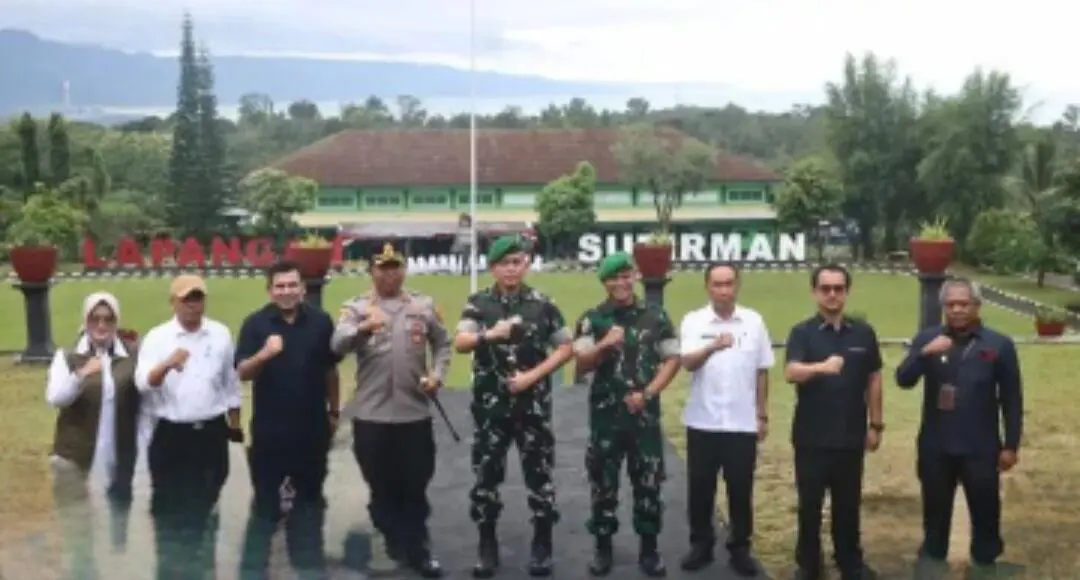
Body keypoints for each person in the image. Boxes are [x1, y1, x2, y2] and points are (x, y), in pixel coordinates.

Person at [453, 234, 574, 578]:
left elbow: (566, 348)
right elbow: (461, 341)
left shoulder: (542, 304)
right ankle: (487, 545)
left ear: (526, 264)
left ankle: (542, 545)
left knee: (540, 477)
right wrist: (490, 335)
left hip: (532, 408)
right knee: (486, 478)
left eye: (517, 262)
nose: (511, 269)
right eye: (504, 263)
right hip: (491, 411)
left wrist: (533, 376)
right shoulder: (478, 304)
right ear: (492, 267)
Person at [332, 242, 451, 578]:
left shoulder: (423, 306)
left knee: (415, 483)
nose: (390, 273)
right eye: (383, 267)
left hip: (414, 413)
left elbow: (443, 343)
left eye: (396, 266)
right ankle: (390, 532)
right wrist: (363, 328)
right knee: (380, 484)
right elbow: (336, 345)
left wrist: (437, 375)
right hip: (371, 415)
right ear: (372, 272)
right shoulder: (356, 308)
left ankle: (418, 548)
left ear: (404, 270)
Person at [895, 279, 1022, 574]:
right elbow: (903, 380)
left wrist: (1011, 445)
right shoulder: (928, 338)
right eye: (950, 305)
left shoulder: (998, 344)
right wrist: (923, 353)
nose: (957, 310)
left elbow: (1012, 398)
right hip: (936, 444)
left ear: (976, 306)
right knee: (935, 508)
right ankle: (933, 555)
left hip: (981, 445)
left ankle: (985, 559)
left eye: (963, 304)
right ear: (943, 308)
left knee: (985, 509)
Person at [572, 252, 680, 577]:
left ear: (634, 276)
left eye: (625, 276)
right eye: (613, 278)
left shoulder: (656, 316)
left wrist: (648, 393)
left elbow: (672, 359)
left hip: (644, 419)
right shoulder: (592, 319)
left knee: (648, 483)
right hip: (606, 419)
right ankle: (603, 547)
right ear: (604, 282)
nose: (620, 283)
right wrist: (604, 345)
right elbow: (581, 364)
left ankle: (650, 549)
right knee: (603, 484)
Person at [234, 261, 344, 580]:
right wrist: (264, 355)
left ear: (302, 288)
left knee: (309, 507)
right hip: (270, 435)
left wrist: (334, 411)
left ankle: (309, 569)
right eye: (279, 286)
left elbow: (330, 370)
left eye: (292, 285)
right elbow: (242, 372)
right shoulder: (256, 324)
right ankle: (254, 573)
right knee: (265, 509)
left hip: (312, 431)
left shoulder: (320, 322)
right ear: (270, 290)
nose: (286, 291)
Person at [135, 274, 244, 580]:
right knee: (169, 509)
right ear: (174, 302)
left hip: (211, 431)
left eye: (198, 298)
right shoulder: (158, 337)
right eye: (187, 299)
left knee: (206, 505)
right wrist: (166, 365)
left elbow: (230, 383)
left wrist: (234, 425)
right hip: (172, 434)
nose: (193, 305)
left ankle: (201, 569)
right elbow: (144, 383)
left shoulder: (220, 334)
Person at [783, 264, 883, 580]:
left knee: (848, 504)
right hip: (811, 437)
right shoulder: (802, 332)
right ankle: (809, 564)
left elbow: (874, 378)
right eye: (825, 288)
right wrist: (822, 367)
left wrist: (876, 424)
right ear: (815, 292)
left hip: (851, 435)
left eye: (838, 288)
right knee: (810, 506)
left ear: (846, 292)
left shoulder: (863, 333)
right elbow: (791, 372)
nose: (832, 294)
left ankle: (850, 560)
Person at [678, 262, 773, 577]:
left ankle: (740, 547)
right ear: (707, 287)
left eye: (729, 283)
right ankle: (701, 543)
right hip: (703, 420)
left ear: (738, 285)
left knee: (740, 489)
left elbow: (762, 370)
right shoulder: (694, 321)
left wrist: (762, 414)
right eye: (717, 284)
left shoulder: (754, 321)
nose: (723, 290)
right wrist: (712, 347)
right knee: (701, 487)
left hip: (741, 423)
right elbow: (687, 363)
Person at [45, 292, 142, 578]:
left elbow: (145, 400)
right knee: (79, 533)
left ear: (116, 322)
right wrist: (81, 374)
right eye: (95, 318)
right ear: (85, 321)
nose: (101, 325)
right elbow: (56, 398)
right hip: (76, 457)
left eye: (108, 319)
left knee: (118, 529)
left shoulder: (131, 355)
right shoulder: (67, 356)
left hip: (118, 453)